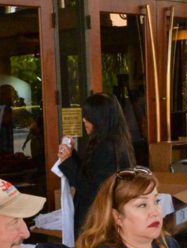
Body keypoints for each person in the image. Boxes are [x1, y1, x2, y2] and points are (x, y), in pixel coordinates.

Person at [55, 92, 136, 236]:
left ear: (99, 118)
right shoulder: (113, 141)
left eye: (88, 116)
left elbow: (92, 189)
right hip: (102, 218)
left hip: (97, 222)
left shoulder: (107, 147)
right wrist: (72, 155)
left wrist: (68, 162)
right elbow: (89, 173)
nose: (83, 120)